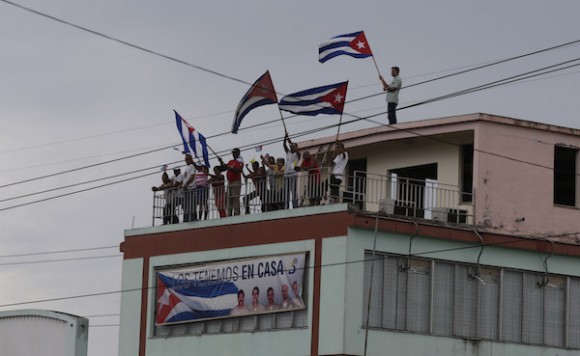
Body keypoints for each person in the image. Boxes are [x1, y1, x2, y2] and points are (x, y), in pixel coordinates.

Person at [218, 148, 244, 216]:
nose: (233, 154)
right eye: (233, 153)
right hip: (230, 182)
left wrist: (228, 167)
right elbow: (224, 168)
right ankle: (229, 214)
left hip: (236, 182)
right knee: (229, 199)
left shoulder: (240, 162)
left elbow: (237, 170)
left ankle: (236, 213)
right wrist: (221, 162)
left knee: (235, 198)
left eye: (235, 153)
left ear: (238, 153)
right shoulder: (231, 161)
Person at [283, 133, 301, 209]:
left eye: (293, 146)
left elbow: (297, 150)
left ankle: (295, 206)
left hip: (293, 174)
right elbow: (284, 146)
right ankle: (286, 206)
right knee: (286, 192)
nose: (291, 147)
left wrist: (290, 142)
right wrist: (285, 138)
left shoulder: (297, 154)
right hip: (286, 175)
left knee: (293, 191)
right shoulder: (288, 153)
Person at [181, 154, 197, 222]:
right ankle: (186, 218)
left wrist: (186, 184)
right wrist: (182, 184)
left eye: (187, 159)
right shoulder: (187, 167)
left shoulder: (192, 166)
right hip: (186, 189)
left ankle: (192, 217)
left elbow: (192, 176)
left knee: (191, 204)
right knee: (185, 205)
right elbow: (185, 178)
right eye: (185, 159)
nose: (186, 160)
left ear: (190, 159)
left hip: (191, 188)